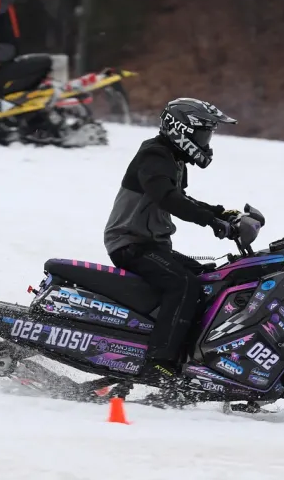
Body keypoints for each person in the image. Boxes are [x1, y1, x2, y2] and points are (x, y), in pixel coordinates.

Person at [103, 98, 240, 384]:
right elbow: (168, 198)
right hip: (130, 244)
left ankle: (188, 357)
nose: (207, 140)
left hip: (150, 245)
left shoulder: (174, 159)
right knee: (183, 284)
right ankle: (159, 364)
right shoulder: (154, 154)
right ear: (182, 129)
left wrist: (221, 213)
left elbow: (182, 198)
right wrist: (211, 221)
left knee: (206, 278)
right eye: (204, 132)